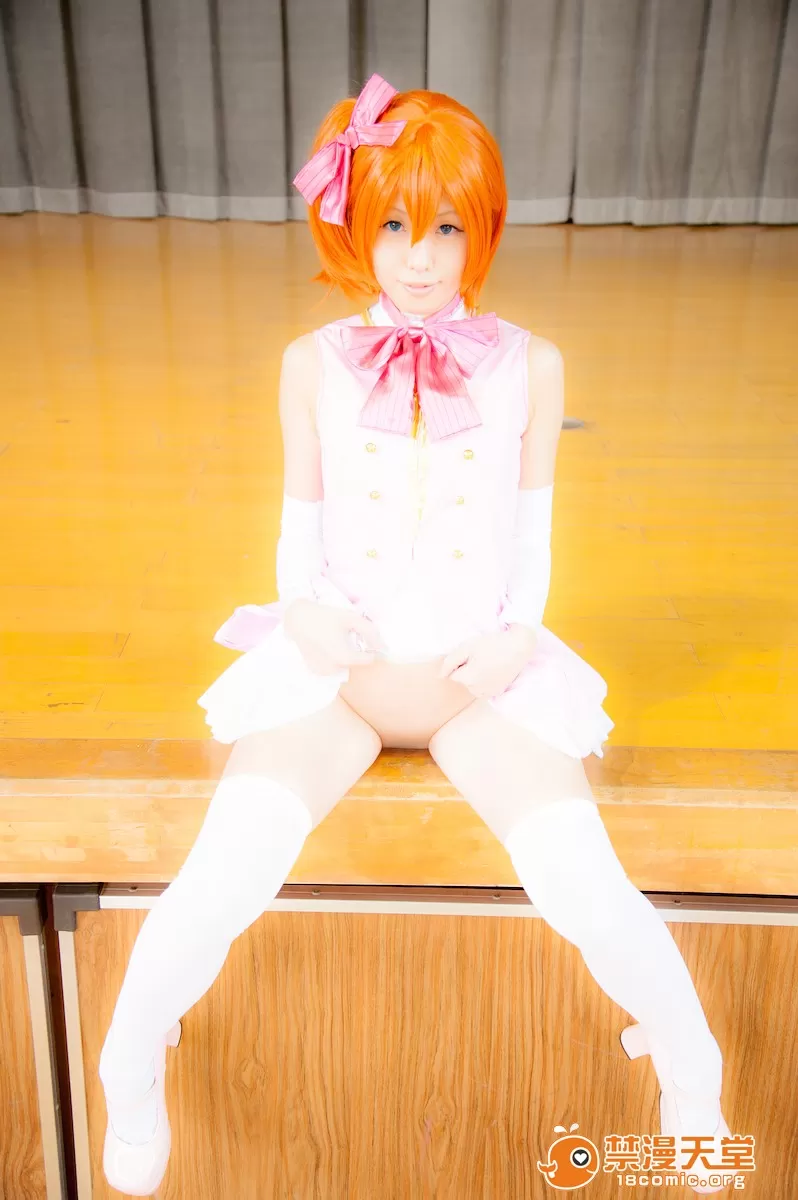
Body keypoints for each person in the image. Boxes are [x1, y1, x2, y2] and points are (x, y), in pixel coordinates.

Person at [98, 74, 737, 1196]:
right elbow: (297, 523)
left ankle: (694, 1072)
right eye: (394, 225)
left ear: (482, 227)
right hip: (335, 681)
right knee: (227, 869)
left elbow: (533, 531)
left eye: (446, 228)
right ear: (353, 223)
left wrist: (519, 636)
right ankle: (128, 1059)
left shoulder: (533, 364)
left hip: (474, 680)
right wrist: (302, 611)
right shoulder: (310, 363)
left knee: (583, 883)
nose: (422, 258)